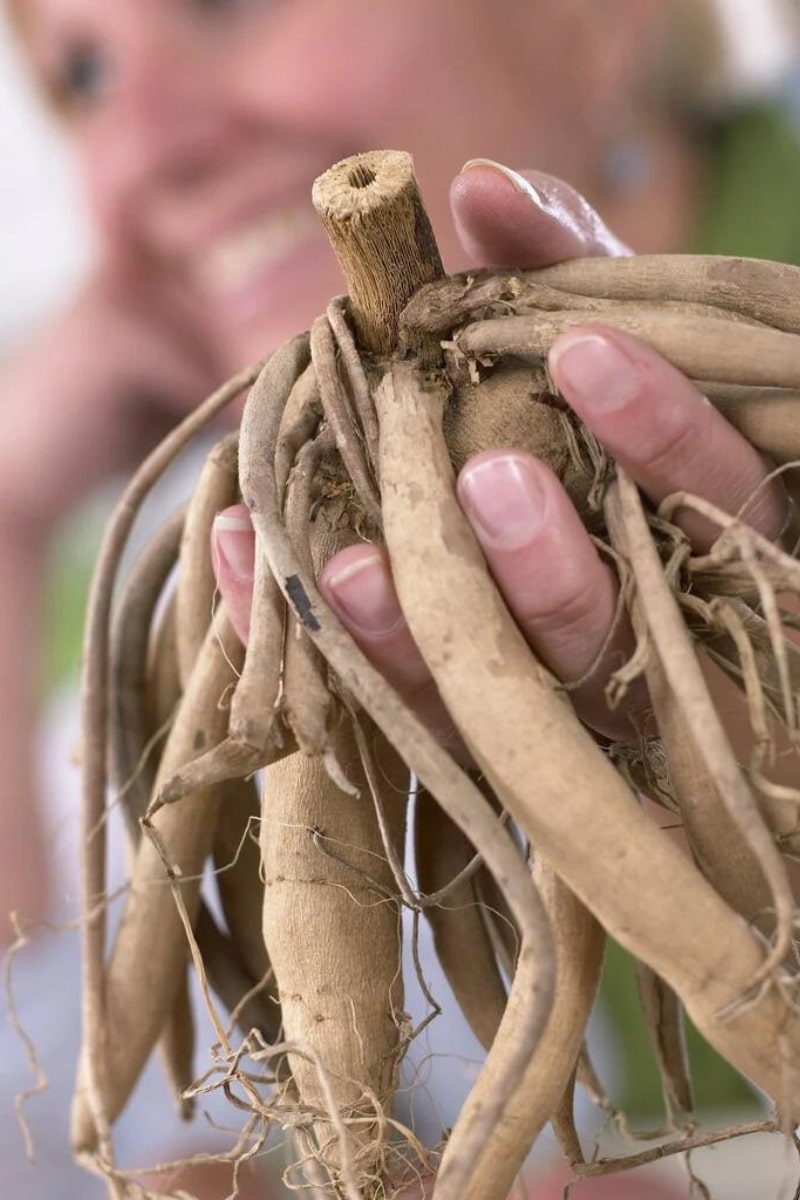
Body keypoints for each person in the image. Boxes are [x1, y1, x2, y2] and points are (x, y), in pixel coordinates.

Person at [2, 0, 800, 1197]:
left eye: (223, 6)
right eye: (89, 72)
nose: (145, 148)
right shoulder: (150, 585)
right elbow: (71, 1147)